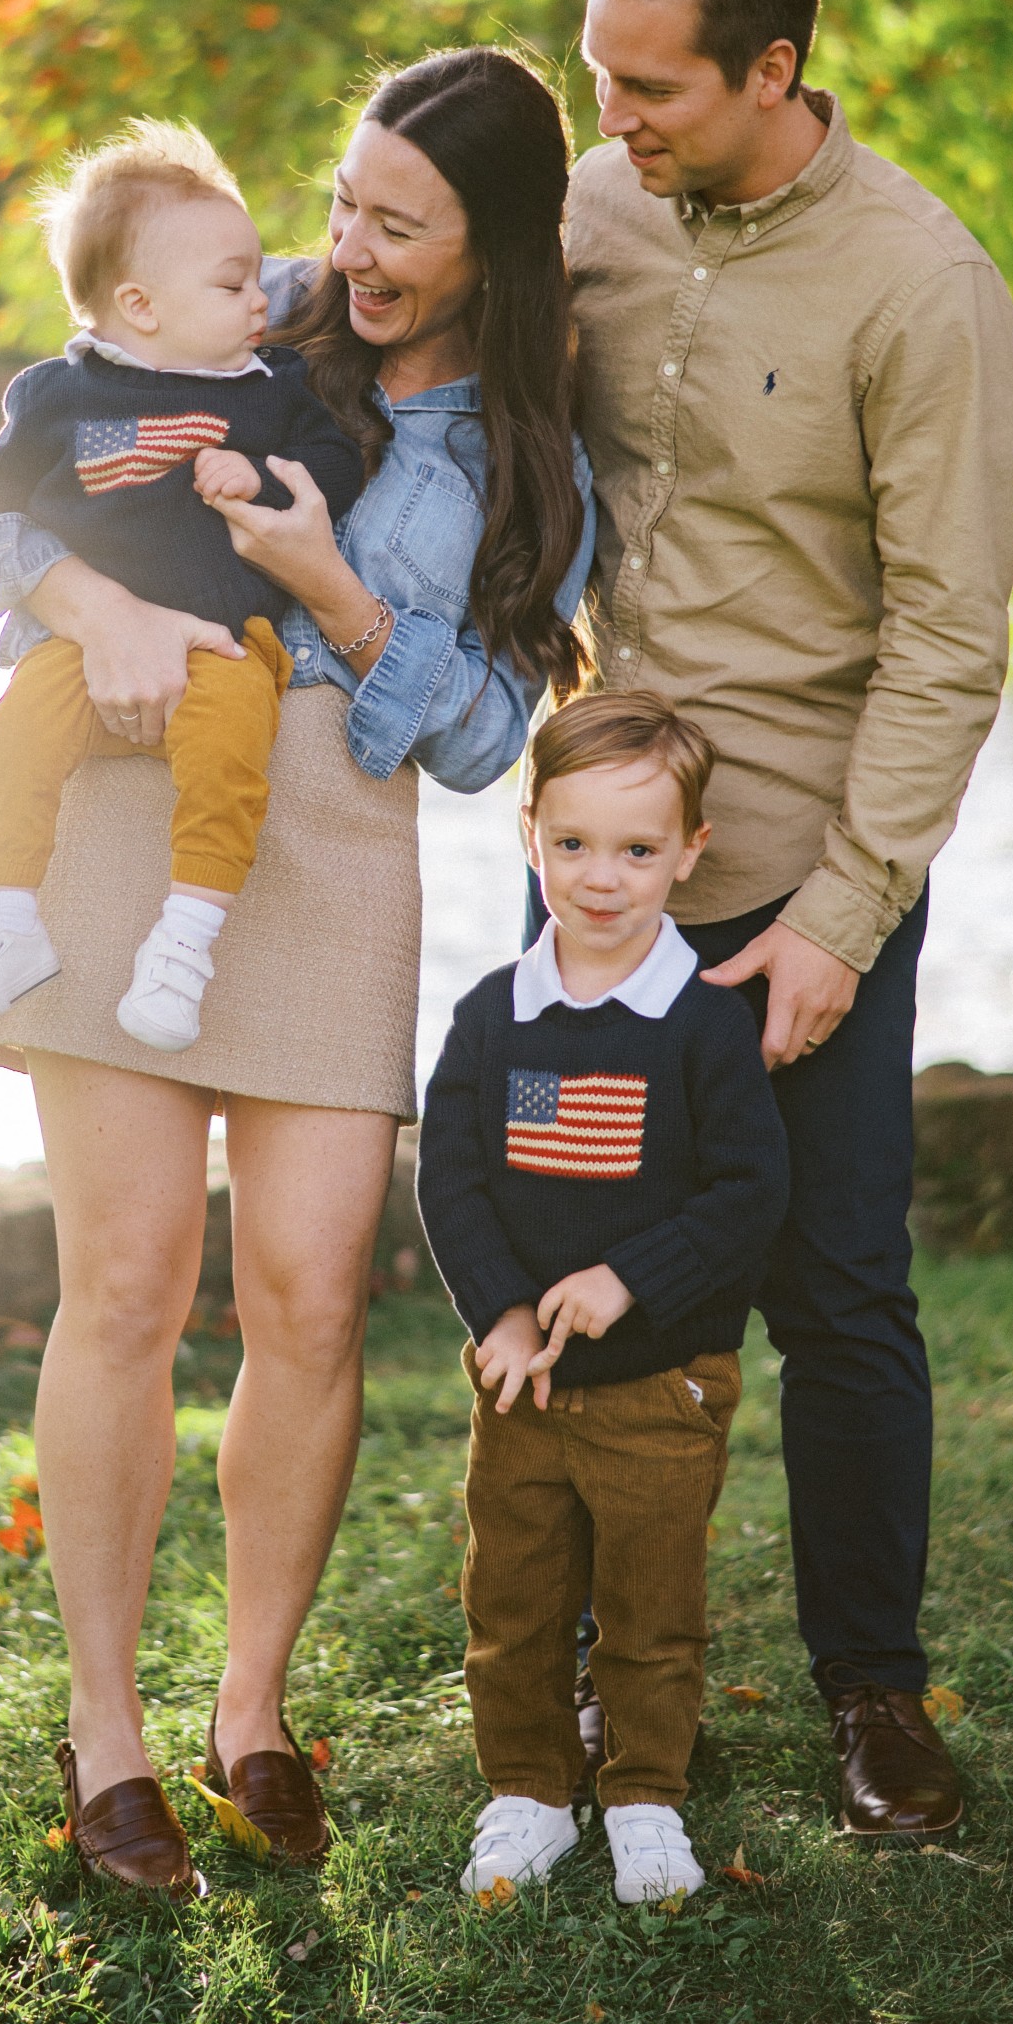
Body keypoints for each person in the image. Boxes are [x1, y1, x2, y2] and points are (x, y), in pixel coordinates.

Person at [0, 48, 595, 1895]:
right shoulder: (229, 314)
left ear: (500, 246)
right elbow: (14, 511)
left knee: (310, 1294)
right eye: (344, 203)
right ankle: (105, 1740)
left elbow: (481, 739)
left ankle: (251, 1710)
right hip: (136, 797)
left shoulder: (533, 441)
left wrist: (335, 595)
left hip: (335, 850)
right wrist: (105, 607)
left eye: (401, 227)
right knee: (132, 1279)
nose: (349, 251)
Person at [565, 0, 1013, 1840]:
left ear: (775, 67)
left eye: (655, 83)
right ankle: (609, 1676)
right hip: (601, 861)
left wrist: (843, 914)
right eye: (599, 70)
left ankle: (875, 1694)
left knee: (839, 1291)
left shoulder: (927, 290)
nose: (620, 114)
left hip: (805, 870)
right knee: (607, 1286)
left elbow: (949, 641)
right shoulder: (586, 207)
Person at [418, 691, 789, 1904]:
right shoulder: (493, 1017)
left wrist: (629, 1275)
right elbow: (454, 1176)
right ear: (530, 836)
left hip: (659, 1387)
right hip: (522, 1387)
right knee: (513, 1600)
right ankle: (527, 1790)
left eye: (638, 849)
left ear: (691, 849)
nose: (602, 877)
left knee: (647, 1606)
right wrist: (505, 1313)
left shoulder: (703, 1027)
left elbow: (749, 1191)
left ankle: (643, 1796)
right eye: (573, 843)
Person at [0, 123, 364, 1052]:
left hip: (228, 641)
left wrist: (257, 478)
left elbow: (335, 465)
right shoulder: (58, 396)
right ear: (140, 305)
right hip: (74, 647)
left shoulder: (273, 391)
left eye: (255, 273)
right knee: (9, 743)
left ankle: (184, 943)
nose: (259, 299)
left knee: (231, 759)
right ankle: (8, 924)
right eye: (231, 285)